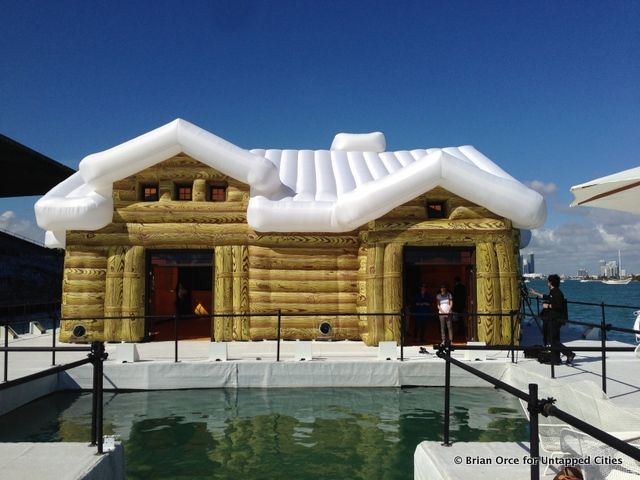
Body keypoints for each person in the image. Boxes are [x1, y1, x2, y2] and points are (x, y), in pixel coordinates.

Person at [530, 274, 575, 365]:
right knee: (554, 339)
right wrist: (536, 293)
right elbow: (548, 297)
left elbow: (559, 305)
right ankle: (556, 359)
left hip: (556, 319)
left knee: (551, 339)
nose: (547, 283)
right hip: (554, 318)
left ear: (551, 282)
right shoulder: (553, 291)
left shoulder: (557, 292)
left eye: (548, 281)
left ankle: (569, 353)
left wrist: (547, 306)